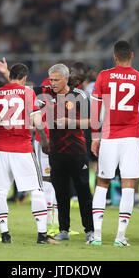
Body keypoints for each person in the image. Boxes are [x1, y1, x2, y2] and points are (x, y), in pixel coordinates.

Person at [0, 63, 58, 245]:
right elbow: (37, 120)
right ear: (24, 78)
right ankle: (41, 235)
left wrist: (3, 124)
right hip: (22, 148)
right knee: (37, 190)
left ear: (9, 77)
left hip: (0, 149)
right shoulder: (28, 93)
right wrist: (45, 141)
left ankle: (5, 234)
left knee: (0, 191)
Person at [89, 40, 139, 247]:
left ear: (114, 56)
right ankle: (120, 237)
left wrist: (95, 136)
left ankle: (97, 236)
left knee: (102, 183)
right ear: (131, 55)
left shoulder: (103, 76)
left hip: (108, 136)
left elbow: (95, 109)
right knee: (128, 185)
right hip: (131, 137)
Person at [34, 63, 94, 242]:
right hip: (56, 151)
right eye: (51, 79)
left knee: (83, 192)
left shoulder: (79, 95)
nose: (52, 83)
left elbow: (91, 122)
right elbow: (22, 88)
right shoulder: (46, 94)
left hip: (77, 151)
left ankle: (90, 230)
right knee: (61, 192)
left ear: (66, 79)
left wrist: (68, 121)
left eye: (56, 80)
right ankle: (64, 230)